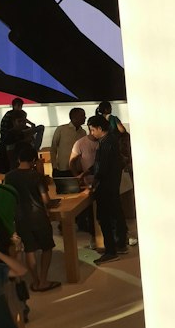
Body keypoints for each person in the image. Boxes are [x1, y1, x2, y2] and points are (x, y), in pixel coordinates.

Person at [1, 144, 60, 292]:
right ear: (34, 160)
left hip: (20, 217)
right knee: (47, 247)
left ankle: (35, 281)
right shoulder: (36, 176)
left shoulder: (9, 177)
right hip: (38, 216)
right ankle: (44, 280)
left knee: (29, 249)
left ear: (19, 159)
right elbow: (46, 200)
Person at [86, 114, 129, 262]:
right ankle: (121, 244)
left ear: (99, 128)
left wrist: (93, 184)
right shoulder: (111, 139)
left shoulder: (105, 143)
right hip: (113, 184)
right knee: (116, 214)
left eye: (92, 130)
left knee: (104, 218)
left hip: (106, 186)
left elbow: (102, 168)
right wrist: (87, 172)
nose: (91, 133)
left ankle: (110, 251)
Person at [49, 107, 86, 179]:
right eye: (82, 115)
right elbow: (53, 148)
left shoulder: (83, 132)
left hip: (78, 168)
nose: (85, 117)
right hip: (62, 169)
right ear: (74, 117)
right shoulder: (61, 129)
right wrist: (54, 166)